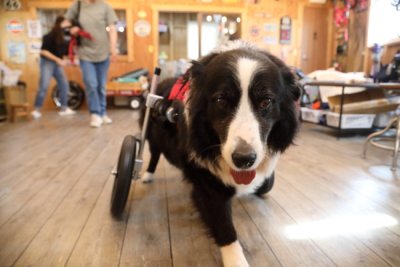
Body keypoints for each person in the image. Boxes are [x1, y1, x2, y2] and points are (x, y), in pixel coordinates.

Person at [63, 0, 118, 128]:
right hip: (85, 53)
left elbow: (112, 28)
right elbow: (65, 23)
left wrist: (113, 48)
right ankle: (95, 113)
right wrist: (71, 29)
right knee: (91, 84)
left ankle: (103, 112)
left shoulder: (105, 6)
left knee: (101, 86)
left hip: (103, 53)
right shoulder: (77, 5)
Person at [31, 15, 76, 119]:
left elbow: (64, 53)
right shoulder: (49, 36)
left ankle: (64, 108)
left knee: (64, 85)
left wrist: (69, 61)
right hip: (47, 62)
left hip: (57, 64)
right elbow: (43, 51)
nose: (68, 26)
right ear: (59, 23)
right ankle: (36, 110)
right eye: (66, 23)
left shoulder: (64, 37)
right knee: (44, 85)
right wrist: (57, 60)